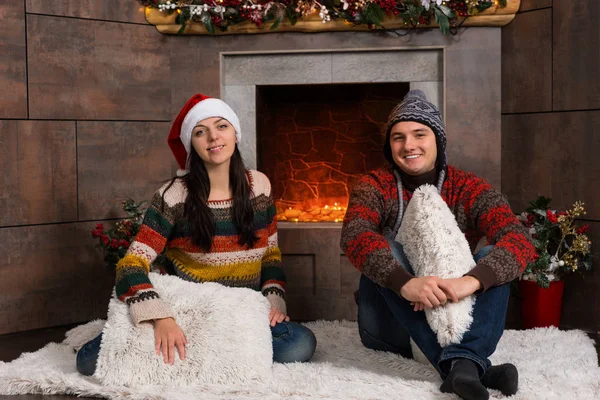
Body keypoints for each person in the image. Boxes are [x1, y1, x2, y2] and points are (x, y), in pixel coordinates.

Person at [77, 94, 316, 375]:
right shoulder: (173, 195)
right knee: (89, 363)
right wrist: (162, 317)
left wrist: (273, 299)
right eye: (201, 132)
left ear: (235, 133)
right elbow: (131, 265)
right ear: (193, 144)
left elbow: (271, 253)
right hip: (186, 309)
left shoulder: (259, 185)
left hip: (240, 311)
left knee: (300, 345)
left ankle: (199, 352)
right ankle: (195, 346)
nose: (214, 138)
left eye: (221, 126)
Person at [340, 90, 536, 400]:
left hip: (450, 316)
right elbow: (355, 234)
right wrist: (406, 285)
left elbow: (519, 240)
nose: (409, 146)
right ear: (390, 146)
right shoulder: (374, 186)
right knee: (386, 249)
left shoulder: (468, 187)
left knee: (489, 257)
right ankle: (471, 364)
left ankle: (463, 368)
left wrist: (469, 282)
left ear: (438, 141)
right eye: (398, 138)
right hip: (390, 328)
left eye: (420, 134)